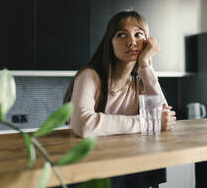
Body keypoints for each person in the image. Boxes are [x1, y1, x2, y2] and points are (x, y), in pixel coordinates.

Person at [63, 10, 177, 188]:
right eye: (121, 35)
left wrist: (145, 64)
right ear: (110, 43)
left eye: (138, 34)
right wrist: (146, 123)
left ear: (147, 42)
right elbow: (84, 125)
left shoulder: (139, 82)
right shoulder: (90, 76)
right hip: (90, 170)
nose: (131, 42)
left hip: (128, 166)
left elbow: (162, 115)